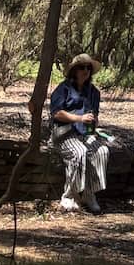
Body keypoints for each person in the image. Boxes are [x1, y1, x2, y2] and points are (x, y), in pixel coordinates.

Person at [49, 54, 109, 213]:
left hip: (85, 134)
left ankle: (89, 194)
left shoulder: (94, 92)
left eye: (88, 68)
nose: (86, 71)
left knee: (101, 151)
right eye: (82, 67)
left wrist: (94, 122)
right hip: (64, 133)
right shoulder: (63, 89)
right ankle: (69, 195)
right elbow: (56, 113)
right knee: (79, 153)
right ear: (74, 70)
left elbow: (94, 114)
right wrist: (79, 118)